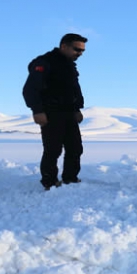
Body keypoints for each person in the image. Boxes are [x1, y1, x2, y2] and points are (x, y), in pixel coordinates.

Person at [22, 33, 88, 190]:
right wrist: (37, 110)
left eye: (82, 51)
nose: (79, 53)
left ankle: (70, 178)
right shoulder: (44, 62)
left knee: (75, 147)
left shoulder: (69, 66)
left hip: (68, 113)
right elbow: (30, 89)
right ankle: (49, 181)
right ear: (64, 46)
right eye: (77, 49)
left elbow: (72, 90)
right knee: (53, 149)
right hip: (50, 113)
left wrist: (77, 108)